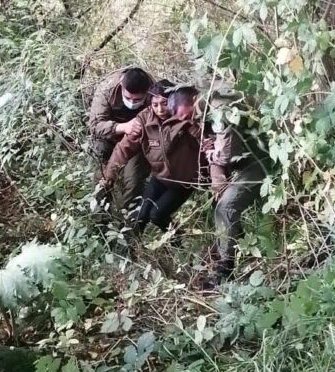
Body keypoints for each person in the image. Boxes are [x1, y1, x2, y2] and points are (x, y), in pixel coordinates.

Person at [102, 83, 202, 235]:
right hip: (160, 177)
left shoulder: (184, 116)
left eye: (164, 103)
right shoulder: (144, 119)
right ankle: (134, 247)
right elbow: (124, 148)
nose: (160, 109)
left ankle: (177, 241)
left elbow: (205, 141)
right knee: (140, 218)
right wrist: (109, 175)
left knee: (157, 215)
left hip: (184, 181)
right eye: (155, 105)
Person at [202, 85, 273, 286]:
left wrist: (212, 154)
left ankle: (225, 269)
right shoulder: (205, 109)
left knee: (226, 207)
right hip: (241, 164)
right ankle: (238, 247)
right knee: (220, 205)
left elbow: (225, 155)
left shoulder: (220, 107)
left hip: (258, 161)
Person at [89, 67, 154, 212]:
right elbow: (95, 126)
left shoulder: (154, 93)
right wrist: (123, 127)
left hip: (137, 140)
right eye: (128, 98)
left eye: (137, 99)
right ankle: (101, 216)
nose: (132, 102)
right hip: (108, 137)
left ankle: (130, 218)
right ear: (121, 87)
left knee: (134, 179)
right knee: (103, 178)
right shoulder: (107, 89)